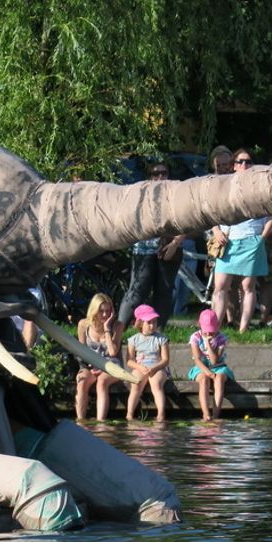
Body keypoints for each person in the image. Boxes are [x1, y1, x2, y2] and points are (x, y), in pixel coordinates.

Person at [210, 149, 272, 332]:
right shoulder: (224, 185)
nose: (244, 165)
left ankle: (243, 329)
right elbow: (211, 211)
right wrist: (216, 230)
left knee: (248, 286)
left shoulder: (260, 187)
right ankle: (214, 329)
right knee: (221, 285)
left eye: (248, 162)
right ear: (233, 165)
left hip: (251, 240)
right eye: (240, 162)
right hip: (228, 240)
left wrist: (261, 237)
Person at [118, 162, 183, 328]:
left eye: (164, 173)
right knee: (137, 291)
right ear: (149, 176)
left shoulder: (175, 194)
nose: (160, 177)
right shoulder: (140, 195)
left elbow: (186, 221)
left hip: (168, 247)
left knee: (165, 291)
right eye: (155, 173)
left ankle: (158, 329)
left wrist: (175, 243)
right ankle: (119, 328)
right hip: (143, 249)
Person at [74, 293, 125, 421]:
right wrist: (89, 366)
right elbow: (81, 351)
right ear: (94, 310)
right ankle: (81, 421)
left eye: (108, 311)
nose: (104, 314)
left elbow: (113, 352)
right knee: (81, 381)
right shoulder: (83, 325)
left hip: (111, 365)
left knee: (102, 382)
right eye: (101, 311)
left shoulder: (117, 326)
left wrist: (107, 329)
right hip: (90, 364)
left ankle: (101, 422)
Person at [125, 304, 170, 421]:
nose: (152, 325)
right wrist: (139, 367)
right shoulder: (133, 340)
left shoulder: (161, 339)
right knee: (136, 383)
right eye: (149, 322)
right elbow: (129, 360)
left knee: (156, 384)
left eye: (154, 322)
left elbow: (165, 360)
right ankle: (130, 414)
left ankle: (160, 413)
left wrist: (155, 368)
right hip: (141, 367)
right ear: (140, 323)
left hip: (157, 367)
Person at [187, 309, 232, 421]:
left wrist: (207, 343)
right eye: (205, 331)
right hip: (201, 366)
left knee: (219, 379)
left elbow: (214, 361)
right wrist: (207, 372)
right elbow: (197, 359)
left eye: (211, 331)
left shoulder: (221, 338)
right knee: (203, 379)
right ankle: (206, 413)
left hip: (219, 367)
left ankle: (216, 414)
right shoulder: (195, 337)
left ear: (217, 326)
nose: (208, 334)